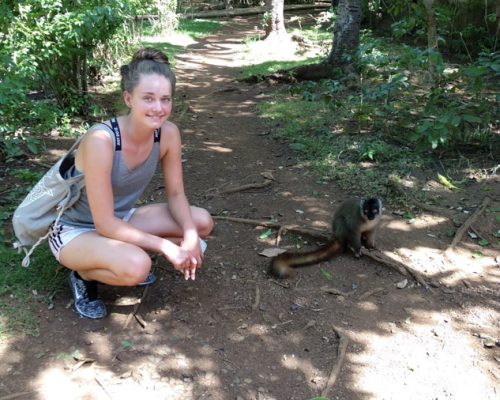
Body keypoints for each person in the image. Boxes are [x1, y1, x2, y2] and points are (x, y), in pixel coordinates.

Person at [47, 48, 214, 319]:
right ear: (128, 98)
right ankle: (81, 274)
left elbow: (175, 192)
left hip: (121, 218)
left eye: (165, 99)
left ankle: (122, 253)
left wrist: (191, 235)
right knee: (138, 267)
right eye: (148, 98)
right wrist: (167, 246)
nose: (158, 108)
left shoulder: (168, 134)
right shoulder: (102, 140)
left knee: (201, 222)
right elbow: (104, 224)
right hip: (75, 229)